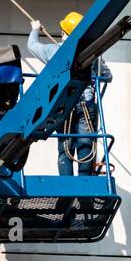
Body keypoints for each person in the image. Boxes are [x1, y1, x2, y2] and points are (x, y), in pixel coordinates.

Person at [27, 12, 113, 176]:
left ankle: (68, 193)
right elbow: (108, 76)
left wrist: (35, 29)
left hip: (63, 106)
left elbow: (32, 46)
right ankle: (85, 191)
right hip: (86, 105)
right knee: (86, 146)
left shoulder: (55, 52)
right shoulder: (92, 54)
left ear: (64, 33)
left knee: (65, 148)